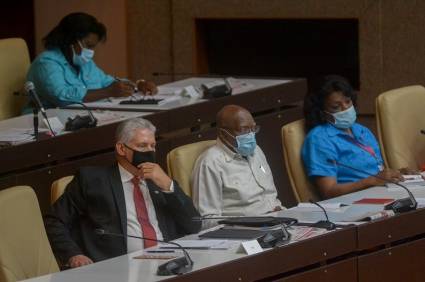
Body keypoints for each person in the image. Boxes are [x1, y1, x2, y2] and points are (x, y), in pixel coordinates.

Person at [45, 118, 201, 268]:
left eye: (153, 146)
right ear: (121, 148)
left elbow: (194, 225)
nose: (149, 151)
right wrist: (73, 255)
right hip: (118, 269)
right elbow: (55, 221)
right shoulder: (92, 180)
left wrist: (168, 185)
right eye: (142, 146)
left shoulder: (159, 180)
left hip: (168, 261)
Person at [301, 75, 412, 199]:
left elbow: (377, 172)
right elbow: (328, 191)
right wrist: (371, 181)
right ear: (321, 112)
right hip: (354, 202)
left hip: (381, 193)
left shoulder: (361, 130)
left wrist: (399, 173)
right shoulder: (319, 139)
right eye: (336, 107)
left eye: (348, 102)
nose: (346, 108)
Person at [24, 12, 157, 112]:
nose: (90, 51)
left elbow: (107, 82)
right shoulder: (46, 63)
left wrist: (137, 86)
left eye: (93, 46)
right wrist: (108, 92)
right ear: (70, 39)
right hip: (43, 125)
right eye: (88, 45)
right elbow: (61, 97)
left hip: (79, 118)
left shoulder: (83, 62)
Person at [191, 105, 283, 228]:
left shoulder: (256, 151)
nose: (250, 135)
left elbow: (270, 192)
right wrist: (244, 223)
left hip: (278, 218)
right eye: (244, 130)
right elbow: (207, 219)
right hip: (246, 229)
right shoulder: (210, 163)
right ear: (223, 133)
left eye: (253, 129)